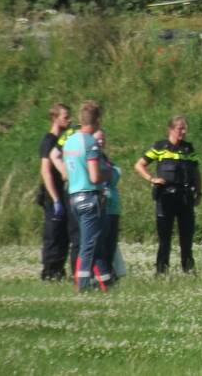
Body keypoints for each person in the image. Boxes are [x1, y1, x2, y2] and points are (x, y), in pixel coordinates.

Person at [134, 115, 202, 274]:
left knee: (187, 238)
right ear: (171, 129)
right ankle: (161, 271)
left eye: (185, 128)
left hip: (185, 198)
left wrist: (199, 193)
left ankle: (188, 270)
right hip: (165, 198)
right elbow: (139, 165)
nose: (183, 132)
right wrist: (151, 179)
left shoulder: (188, 149)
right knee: (165, 239)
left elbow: (196, 173)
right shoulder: (160, 147)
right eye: (180, 128)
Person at [62, 100, 112, 291]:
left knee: (94, 241)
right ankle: (82, 285)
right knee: (88, 244)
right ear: (97, 120)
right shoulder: (90, 142)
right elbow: (94, 175)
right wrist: (108, 172)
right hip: (89, 197)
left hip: (73, 196)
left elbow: (66, 173)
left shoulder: (69, 141)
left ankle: (106, 283)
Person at [37, 103, 79, 281]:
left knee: (63, 234)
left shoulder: (64, 141)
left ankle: (60, 271)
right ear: (55, 118)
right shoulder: (49, 141)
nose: (69, 120)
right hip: (52, 194)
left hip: (63, 193)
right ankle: (50, 271)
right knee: (53, 234)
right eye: (65, 117)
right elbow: (45, 171)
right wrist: (55, 199)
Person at [95, 130, 122, 285]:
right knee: (102, 246)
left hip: (113, 208)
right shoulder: (93, 159)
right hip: (102, 208)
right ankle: (102, 280)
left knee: (111, 246)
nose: (101, 142)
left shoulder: (105, 159)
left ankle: (110, 277)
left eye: (103, 139)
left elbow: (113, 175)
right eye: (98, 139)